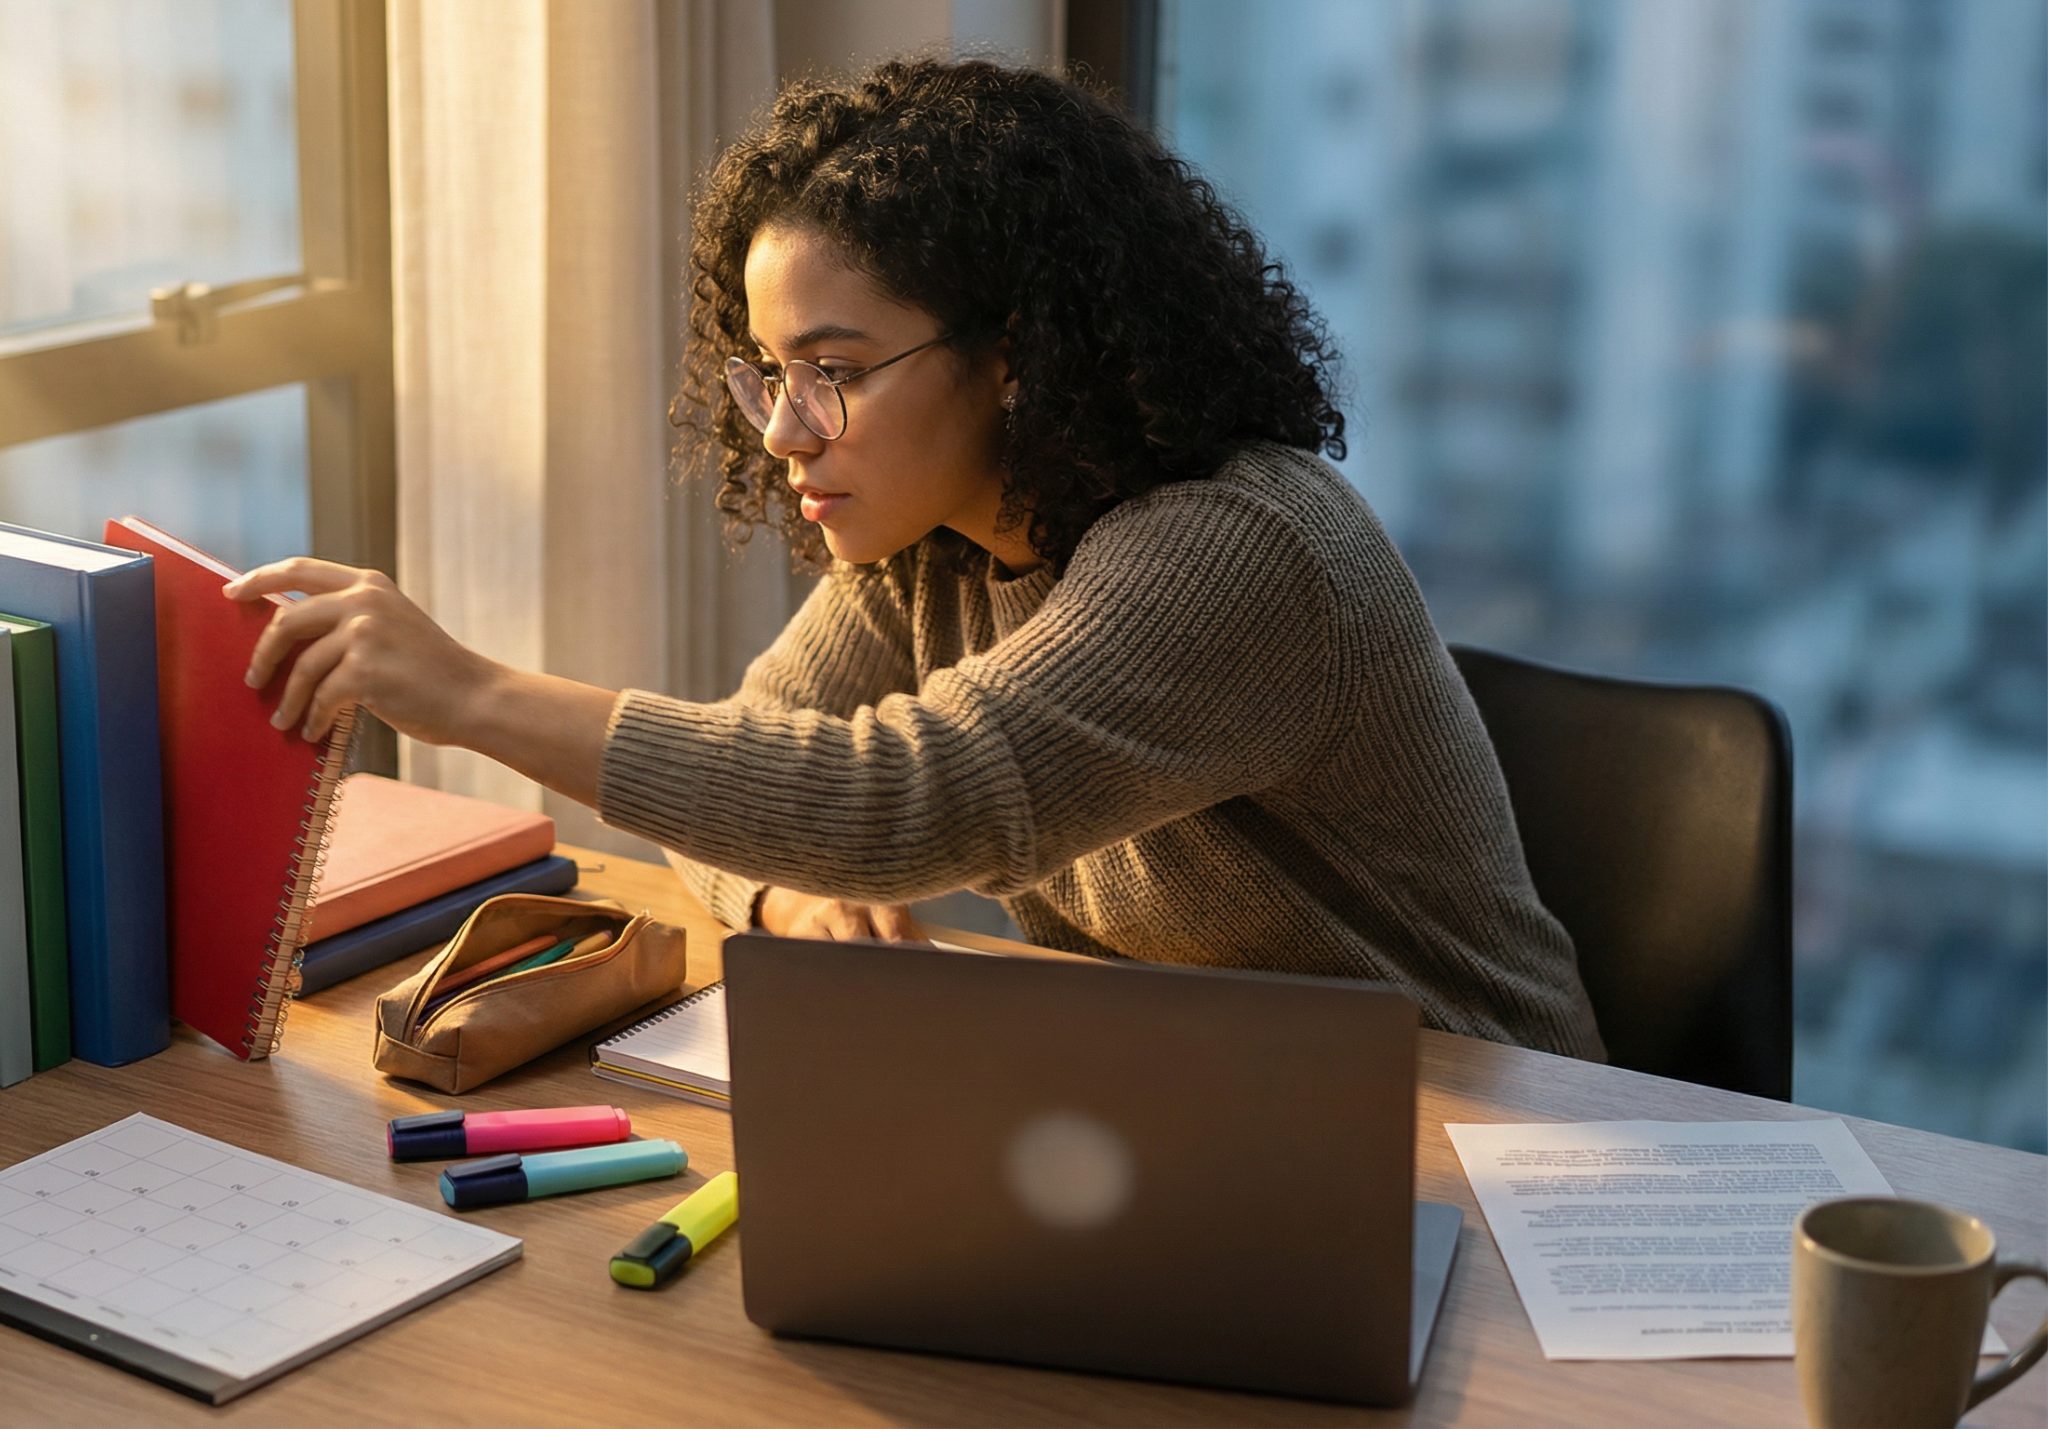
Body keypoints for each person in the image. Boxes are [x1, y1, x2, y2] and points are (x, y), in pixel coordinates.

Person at [225, 57, 1604, 1058]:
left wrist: (468, 691)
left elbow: (917, 798)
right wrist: (786, 883)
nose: (786, 433)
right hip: (1201, 1091)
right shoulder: (932, 553)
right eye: (768, 375)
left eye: (833, 370)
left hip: (1481, 1125)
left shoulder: (1233, 547)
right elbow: (761, 758)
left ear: (1014, 362)